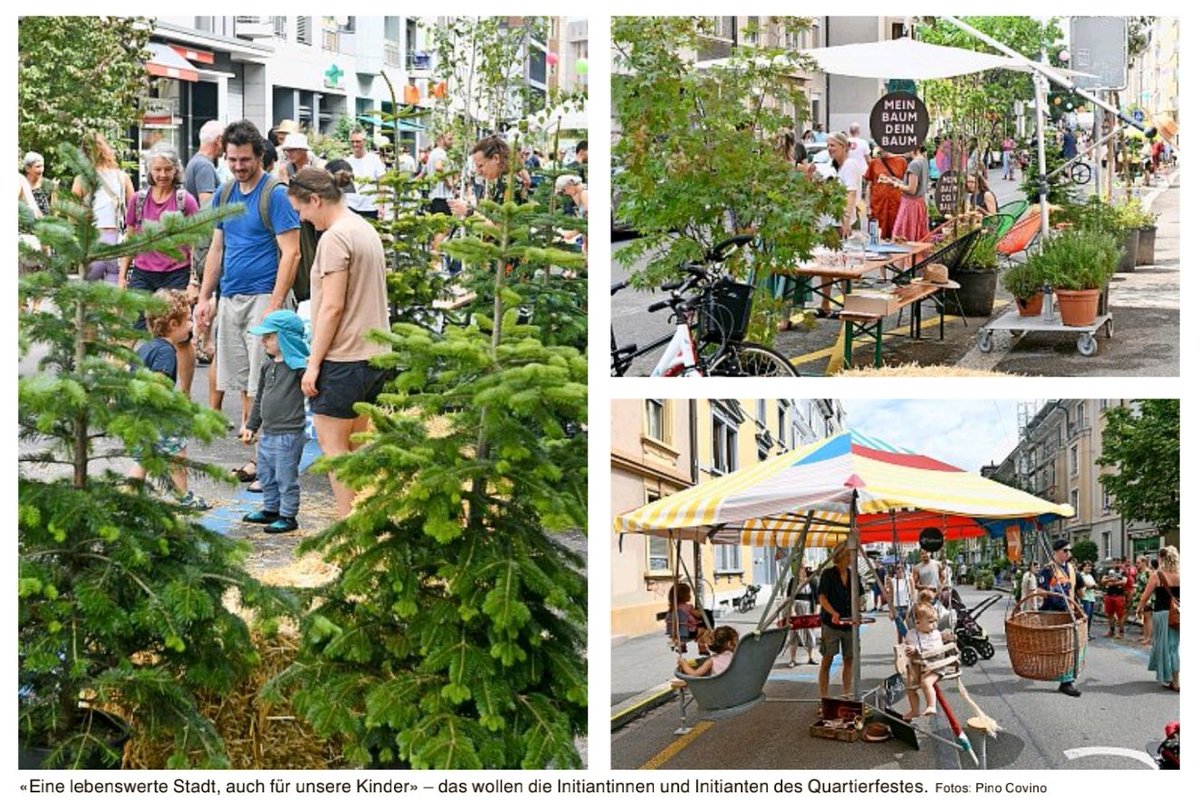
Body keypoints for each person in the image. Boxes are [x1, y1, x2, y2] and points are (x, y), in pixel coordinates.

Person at [195, 120, 301, 476]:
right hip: (231, 297)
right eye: (231, 159)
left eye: (244, 159)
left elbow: (292, 253)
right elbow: (217, 248)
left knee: (268, 384)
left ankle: (265, 462)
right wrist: (206, 296)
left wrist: (275, 303)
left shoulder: (275, 194)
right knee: (243, 383)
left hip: (264, 298)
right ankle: (254, 454)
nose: (238, 166)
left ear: (259, 155)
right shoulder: (225, 193)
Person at [287, 166, 389, 519]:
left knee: (335, 449)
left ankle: (351, 527)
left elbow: (331, 306)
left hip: (344, 357)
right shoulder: (364, 228)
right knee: (359, 448)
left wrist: (313, 364)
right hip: (375, 355)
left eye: (301, 211)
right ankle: (366, 519)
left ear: (315, 200)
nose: (302, 220)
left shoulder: (334, 238)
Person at [120, 143, 202, 398]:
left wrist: (193, 280)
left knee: (181, 335)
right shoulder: (139, 199)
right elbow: (132, 237)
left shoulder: (184, 200)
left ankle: (185, 395)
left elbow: (195, 241)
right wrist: (123, 275)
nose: (163, 174)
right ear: (150, 171)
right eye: (158, 169)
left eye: (168, 169)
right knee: (129, 332)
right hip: (143, 272)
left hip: (176, 271)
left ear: (176, 170)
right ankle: (118, 390)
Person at [128, 290, 209, 511]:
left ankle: (129, 496)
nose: (192, 325)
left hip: (139, 415)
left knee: (143, 458)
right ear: (173, 324)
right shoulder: (165, 353)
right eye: (189, 320)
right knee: (177, 452)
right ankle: (182, 496)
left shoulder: (145, 347)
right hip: (158, 416)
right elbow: (159, 386)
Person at [240, 310, 310, 535]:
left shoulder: (298, 368)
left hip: (289, 433)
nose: (263, 341)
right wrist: (251, 425)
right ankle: (271, 509)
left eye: (269, 337)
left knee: (285, 476)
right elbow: (259, 398)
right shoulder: (267, 367)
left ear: (285, 338)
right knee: (266, 474)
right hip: (268, 432)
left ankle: (288, 515)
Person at [72, 132, 136, 284]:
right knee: (115, 297)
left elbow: (73, 215)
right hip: (117, 242)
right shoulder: (122, 177)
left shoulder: (81, 180)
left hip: (93, 242)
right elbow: (134, 210)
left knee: (89, 297)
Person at [1037, 538, 1083, 696]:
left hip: (1068, 611)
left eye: (1070, 550)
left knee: (1070, 647)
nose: (1068, 553)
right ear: (1056, 552)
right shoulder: (1048, 569)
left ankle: (1067, 681)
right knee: (1058, 648)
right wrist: (1054, 593)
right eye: (1065, 551)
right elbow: (1039, 591)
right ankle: (1062, 678)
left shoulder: (1070, 568)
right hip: (1053, 612)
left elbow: (1075, 588)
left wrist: (1078, 604)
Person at [1136, 546, 1180, 691]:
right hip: (1178, 614)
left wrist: (1139, 608)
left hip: (1162, 613)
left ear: (1161, 558)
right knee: (1174, 645)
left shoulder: (1157, 575)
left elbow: (1146, 596)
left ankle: (1171, 678)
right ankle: (1175, 679)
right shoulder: (1181, 574)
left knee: (1164, 645)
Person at [817, 543, 856, 700]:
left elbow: (858, 596)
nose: (852, 558)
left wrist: (858, 612)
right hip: (831, 625)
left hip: (849, 624)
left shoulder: (853, 574)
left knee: (849, 659)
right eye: (849, 555)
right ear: (841, 557)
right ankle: (824, 697)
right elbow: (822, 597)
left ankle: (847, 695)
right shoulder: (828, 574)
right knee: (827, 659)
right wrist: (833, 613)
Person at [901, 590, 945, 719]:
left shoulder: (935, 634)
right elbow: (909, 645)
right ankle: (914, 710)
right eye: (931, 622)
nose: (934, 625)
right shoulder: (911, 634)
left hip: (935, 666)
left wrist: (917, 650)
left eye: (935, 621)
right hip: (918, 669)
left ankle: (931, 705)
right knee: (910, 688)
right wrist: (908, 648)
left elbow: (934, 649)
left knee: (926, 682)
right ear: (918, 622)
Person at [888, 145, 930, 242]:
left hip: (910, 205)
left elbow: (911, 189)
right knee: (917, 237)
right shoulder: (924, 160)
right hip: (919, 204)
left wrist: (894, 184)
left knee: (902, 237)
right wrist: (898, 181)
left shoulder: (914, 164)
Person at [865, 149, 908, 239]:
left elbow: (906, 185)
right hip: (878, 206)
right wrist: (868, 207)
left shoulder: (901, 162)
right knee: (876, 236)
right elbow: (869, 185)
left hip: (896, 205)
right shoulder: (874, 163)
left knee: (896, 236)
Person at [345, 128, 387, 219]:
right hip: (351, 207)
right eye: (352, 142)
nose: (355, 144)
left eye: (358, 141)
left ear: (364, 142)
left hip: (370, 207)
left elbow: (382, 183)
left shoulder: (374, 159)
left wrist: (381, 205)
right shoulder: (347, 161)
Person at [787, 565, 819, 667]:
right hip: (796, 609)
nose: (803, 571)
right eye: (800, 569)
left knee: (810, 634)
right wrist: (792, 610)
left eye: (804, 569)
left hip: (808, 609)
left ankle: (811, 657)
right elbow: (789, 597)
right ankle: (792, 659)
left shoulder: (812, 581)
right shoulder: (793, 581)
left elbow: (817, 599)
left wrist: (816, 612)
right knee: (794, 634)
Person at [664, 582, 708, 654]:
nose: (690, 595)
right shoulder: (689, 607)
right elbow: (698, 615)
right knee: (704, 629)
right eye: (689, 593)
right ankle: (702, 647)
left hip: (675, 633)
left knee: (683, 626)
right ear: (684, 595)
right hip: (689, 633)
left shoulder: (672, 608)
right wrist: (700, 612)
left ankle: (682, 646)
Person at [1101, 556, 1129, 638]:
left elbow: (1124, 582)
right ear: (1112, 563)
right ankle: (1111, 630)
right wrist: (1113, 580)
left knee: (1120, 615)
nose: (1117, 564)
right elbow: (1102, 581)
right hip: (1109, 595)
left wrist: (1111, 582)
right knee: (1110, 614)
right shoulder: (1108, 571)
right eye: (1115, 562)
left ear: (1121, 564)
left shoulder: (1123, 572)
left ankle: (1121, 632)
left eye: (1119, 562)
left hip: (1119, 596)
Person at [888, 563, 914, 642]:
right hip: (897, 608)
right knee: (899, 629)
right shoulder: (893, 581)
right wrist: (890, 610)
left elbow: (912, 595)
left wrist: (910, 607)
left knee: (911, 628)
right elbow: (891, 596)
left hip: (907, 606)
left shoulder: (909, 579)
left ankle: (911, 642)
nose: (900, 570)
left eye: (902, 568)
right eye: (898, 568)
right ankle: (904, 643)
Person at [23, 152, 51, 217]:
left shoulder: (47, 184)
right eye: (38, 166)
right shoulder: (22, 184)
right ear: (28, 169)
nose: (41, 170)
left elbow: (54, 209)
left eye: (42, 166)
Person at [1132, 555, 1152, 644]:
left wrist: (1148, 598)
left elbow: (1151, 585)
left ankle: (1148, 638)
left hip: (1147, 597)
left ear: (1144, 562)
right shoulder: (1140, 572)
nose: (1137, 564)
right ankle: (1145, 635)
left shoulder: (1148, 572)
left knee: (1148, 617)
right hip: (1140, 596)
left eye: (1138, 563)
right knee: (1144, 618)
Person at [1079, 560, 1097, 639]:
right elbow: (1088, 585)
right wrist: (1092, 586)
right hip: (1085, 598)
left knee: (1090, 617)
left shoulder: (1090, 576)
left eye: (1090, 566)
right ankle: (1083, 634)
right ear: (1083, 567)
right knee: (1086, 616)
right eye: (1087, 566)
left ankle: (1088, 633)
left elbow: (1094, 585)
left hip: (1091, 598)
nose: (1089, 568)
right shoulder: (1081, 575)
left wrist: (1093, 586)